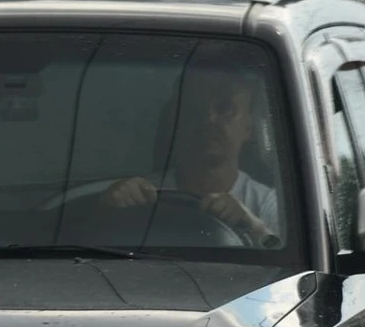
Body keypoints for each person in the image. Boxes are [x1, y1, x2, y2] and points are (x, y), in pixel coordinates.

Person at [101, 60, 282, 248]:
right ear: (178, 122)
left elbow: (288, 266)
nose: (208, 118)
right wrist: (108, 211)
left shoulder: (269, 207)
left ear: (249, 128)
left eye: (225, 108)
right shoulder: (142, 197)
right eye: (194, 108)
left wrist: (254, 227)